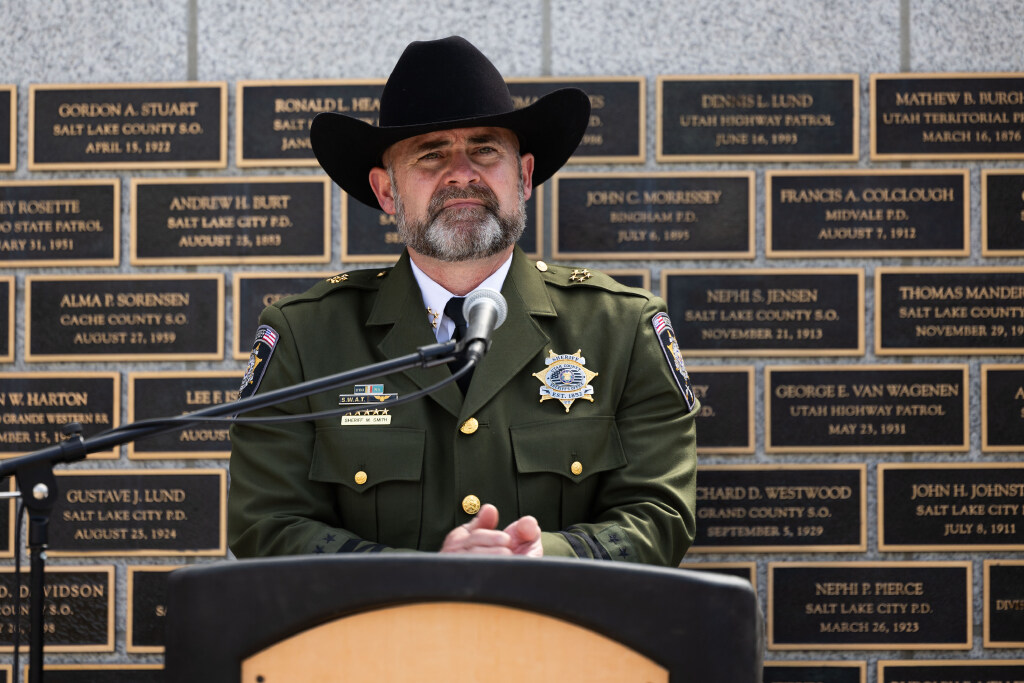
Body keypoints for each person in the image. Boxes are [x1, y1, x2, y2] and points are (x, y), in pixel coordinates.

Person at [227, 36, 699, 566]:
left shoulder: (621, 328)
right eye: (430, 155)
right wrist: (420, 576)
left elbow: (661, 514)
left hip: (560, 639)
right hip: (380, 645)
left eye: (484, 149)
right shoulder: (306, 337)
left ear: (521, 176)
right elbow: (265, 526)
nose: (462, 173)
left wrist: (547, 557)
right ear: (387, 192)